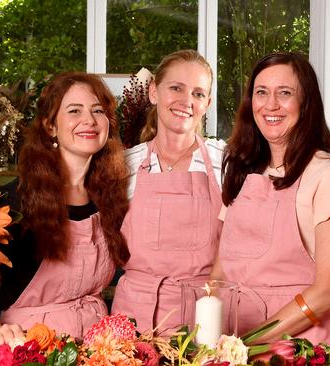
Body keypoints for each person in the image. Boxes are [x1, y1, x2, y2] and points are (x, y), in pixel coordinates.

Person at [0, 72, 130, 346]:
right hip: (33, 348)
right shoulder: (15, 199)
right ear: (50, 126)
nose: (89, 120)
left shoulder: (110, 197)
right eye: (74, 110)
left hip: (99, 346)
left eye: (97, 110)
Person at [212, 52, 330, 345]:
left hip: (299, 348)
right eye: (261, 93)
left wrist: (248, 344)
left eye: (285, 93)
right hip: (231, 344)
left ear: (306, 104)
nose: (271, 105)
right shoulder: (241, 172)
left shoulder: (329, 176)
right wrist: (208, 338)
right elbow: (220, 272)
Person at [112, 50, 225, 334]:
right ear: (153, 92)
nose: (186, 101)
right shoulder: (126, 165)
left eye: (198, 94)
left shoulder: (227, 163)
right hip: (131, 320)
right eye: (176, 88)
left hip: (202, 318)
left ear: (207, 103)